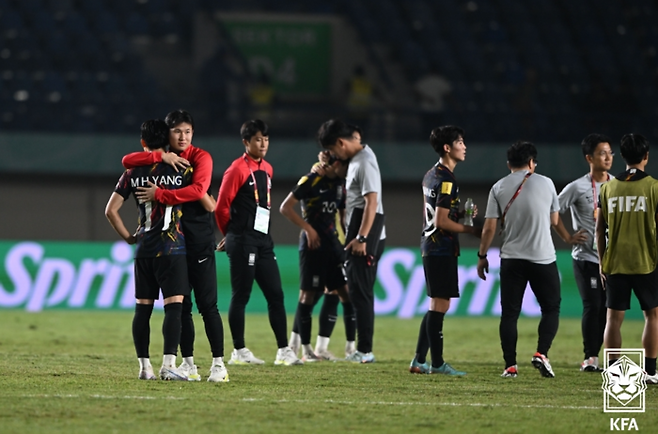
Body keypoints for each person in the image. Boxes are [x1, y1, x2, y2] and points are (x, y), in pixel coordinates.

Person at [121, 110, 229, 383]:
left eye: (188, 131)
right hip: (175, 243)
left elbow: (201, 194)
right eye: (177, 132)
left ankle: (219, 365)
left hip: (199, 239)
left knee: (208, 306)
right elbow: (127, 160)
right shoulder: (164, 161)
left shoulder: (199, 158)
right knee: (181, 307)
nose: (183, 137)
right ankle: (188, 363)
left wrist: (161, 194)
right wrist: (161, 156)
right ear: (168, 135)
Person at [104, 119, 190, 381]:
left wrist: (130, 237)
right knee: (174, 307)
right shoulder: (181, 168)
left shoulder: (132, 172)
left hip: (144, 248)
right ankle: (168, 365)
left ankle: (144, 368)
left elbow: (110, 211)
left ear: (143, 143)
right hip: (173, 247)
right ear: (166, 141)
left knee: (143, 309)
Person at [215, 119, 302, 366]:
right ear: (246, 142)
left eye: (266, 139)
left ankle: (284, 351)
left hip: (264, 241)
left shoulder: (269, 168)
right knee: (241, 295)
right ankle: (239, 351)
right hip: (242, 240)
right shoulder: (236, 170)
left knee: (276, 294)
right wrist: (230, 234)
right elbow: (221, 207)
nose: (263, 143)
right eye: (257, 139)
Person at [476, 141, 561, 378]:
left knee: (510, 314)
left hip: (512, 259)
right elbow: (554, 220)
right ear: (532, 162)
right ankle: (541, 353)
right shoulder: (547, 183)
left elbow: (489, 228)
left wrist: (482, 256)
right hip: (543, 257)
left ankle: (510, 366)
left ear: (508, 164)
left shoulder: (498, 187)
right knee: (551, 308)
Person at [410, 125, 481, 376]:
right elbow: (441, 222)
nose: (464, 146)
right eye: (460, 142)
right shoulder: (447, 180)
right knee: (440, 304)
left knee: (436, 304)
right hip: (440, 247)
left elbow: (437, 213)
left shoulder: (432, 174)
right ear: (447, 148)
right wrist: (470, 229)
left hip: (431, 245)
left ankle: (419, 360)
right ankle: (437, 364)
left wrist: (459, 213)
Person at [317, 119, 386, 363]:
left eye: (334, 150)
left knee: (361, 293)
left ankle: (365, 351)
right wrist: (330, 162)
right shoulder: (356, 159)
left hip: (366, 233)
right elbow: (342, 173)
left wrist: (362, 238)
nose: (335, 155)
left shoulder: (366, 163)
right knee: (357, 291)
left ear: (341, 142)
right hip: (358, 231)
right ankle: (362, 349)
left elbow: (372, 202)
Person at [280, 154, 356, 362]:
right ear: (338, 164)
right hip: (313, 247)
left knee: (345, 294)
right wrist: (307, 229)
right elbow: (285, 207)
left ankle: (351, 349)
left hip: (333, 246)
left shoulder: (340, 184)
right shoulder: (312, 180)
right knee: (308, 297)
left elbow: (342, 214)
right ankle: (304, 350)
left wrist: (348, 238)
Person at [596, 133, 658, 384]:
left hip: (616, 262)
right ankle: (651, 372)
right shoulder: (654, 187)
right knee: (652, 316)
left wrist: (602, 262)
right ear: (646, 156)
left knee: (613, 319)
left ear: (621, 157)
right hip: (647, 262)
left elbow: (600, 229)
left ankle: (612, 373)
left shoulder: (608, 187)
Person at [553, 133, 614, 372]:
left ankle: (610, 358)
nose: (608, 157)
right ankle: (590, 357)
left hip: (612, 260)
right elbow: (553, 211)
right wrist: (567, 237)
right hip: (586, 258)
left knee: (610, 308)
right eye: (602, 152)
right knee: (593, 305)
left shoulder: (618, 184)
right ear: (589, 157)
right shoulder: (577, 187)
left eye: (610, 152)